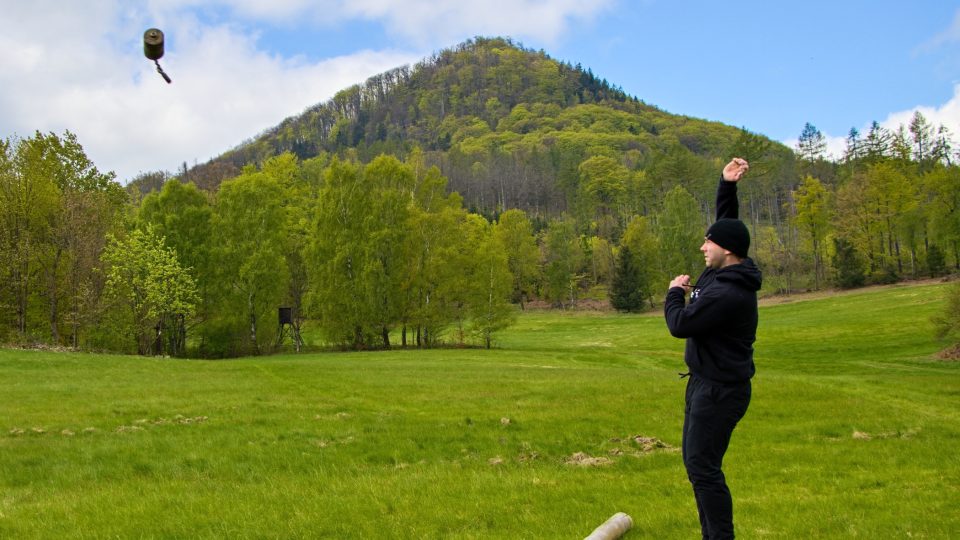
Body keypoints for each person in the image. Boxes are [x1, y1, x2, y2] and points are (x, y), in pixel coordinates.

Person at [663, 157, 762, 540]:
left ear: (727, 250)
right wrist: (727, 185)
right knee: (697, 465)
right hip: (705, 384)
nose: (703, 246)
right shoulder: (726, 269)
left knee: (703, 469)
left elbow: (680, 325)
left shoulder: (727, 292)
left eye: (709, 241)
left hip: (720, 392)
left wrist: (674, 292)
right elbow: (729, 224)